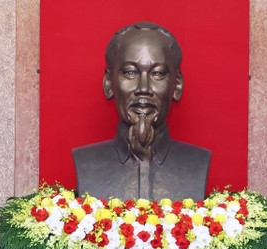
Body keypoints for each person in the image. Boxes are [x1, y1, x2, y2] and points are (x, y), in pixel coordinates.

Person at [73, 21, 211, 201]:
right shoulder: (86, 162)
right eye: (130, 72)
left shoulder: (197, 162)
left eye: (157, 73)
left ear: (176, 85)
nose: (143, 88)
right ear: (109, 83)